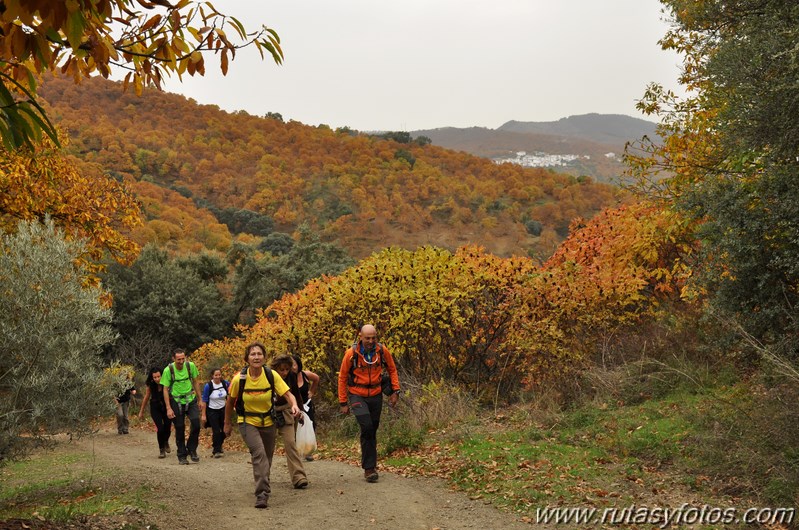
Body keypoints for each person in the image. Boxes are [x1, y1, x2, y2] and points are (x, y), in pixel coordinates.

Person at [224, 342, 301, 509]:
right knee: (259, 455)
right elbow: (230, 402)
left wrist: (294, 405)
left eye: (259, 354)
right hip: (247, 421)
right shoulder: (239, 379)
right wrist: (227, 423)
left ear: (264, 358)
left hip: (268, 421)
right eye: (253, 354)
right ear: (247, 358)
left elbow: (288, 394)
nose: (256, 357)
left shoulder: (271, 375)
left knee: (267, 457)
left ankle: (263, 482)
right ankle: (262, 494)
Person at [337, 324, 400, 483]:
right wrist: (343, 401)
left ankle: (370, 465)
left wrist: (395, 391)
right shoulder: (351, 354)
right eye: (367, 338)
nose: (371, 341)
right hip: (357, 394)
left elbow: (392, 369)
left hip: (376, 394)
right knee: (366, 426)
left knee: (372, 429)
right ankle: (369, 468)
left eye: (373, 338)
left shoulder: (382, 351)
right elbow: (342, 377)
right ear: (361, 336)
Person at [270, 354, 310, 489]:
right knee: (267, 447)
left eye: (287, 369)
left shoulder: (291, 376)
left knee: (291, 444)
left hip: (288, 411)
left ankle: (299, 476)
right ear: (276, 369)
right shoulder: (268, 377)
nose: (285, 372)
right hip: (270, 413)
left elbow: (296, 395)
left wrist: (301, 411)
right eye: (282, 370)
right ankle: (263, 475)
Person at [161, 349, 202, 465]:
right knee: (179, 428)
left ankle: (192, 449)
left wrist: (200, 399)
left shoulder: (190, 366)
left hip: (191, 399)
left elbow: (195, 382)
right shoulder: (168, 370)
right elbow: (165, 389)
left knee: (196, 424)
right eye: (178, 359)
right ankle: (182, 455)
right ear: (173, 359)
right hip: (176, 401)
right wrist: (168, 408)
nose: (181, 361)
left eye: (183, 359)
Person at [138, 367, 172, 458]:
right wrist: (141, 411)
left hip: (166, 406)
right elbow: (146, 397)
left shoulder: (167, 381)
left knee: (168, 427)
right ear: (152, 378)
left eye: (158, 376)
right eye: (155, 377)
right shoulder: (151, 384)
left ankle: (165, 441)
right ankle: (161, 449)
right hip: (155, 407)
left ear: (162, 375)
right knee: (160, 429)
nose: (157, 379)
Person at [291, 354, 320, 461]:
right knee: (294, 429)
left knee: (309, 427)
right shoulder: (287, 378)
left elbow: (316, 378)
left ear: (298, 364)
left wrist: (312, 391)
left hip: (306, 405)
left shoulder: (305, 375)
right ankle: (295, 452)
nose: (292, 367)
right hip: (293, 407)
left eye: (293, 364)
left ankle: (308, 452)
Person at [200, 368, 229, 458]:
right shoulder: (208, 386)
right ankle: (216, 450)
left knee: (225, 431)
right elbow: (204, 401)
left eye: (219, 375)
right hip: (212, 411)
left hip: (223, 410)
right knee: (216, 431)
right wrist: (203, 415)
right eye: (216, 375)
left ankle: (218, 445)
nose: (218, 377)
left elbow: (231, 394)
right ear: (212, 376)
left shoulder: (225, 384)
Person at [115, 369, 137, 434]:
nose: (123, 376)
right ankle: (120, 429)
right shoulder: (116, 383)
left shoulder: (129, 382)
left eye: (125, 375)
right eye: (122, 375)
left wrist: (133, 392)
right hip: (118, 401)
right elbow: (112, 393)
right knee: (120, 415)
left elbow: (133, 390)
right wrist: (115, 401)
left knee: (125, 416)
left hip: (126, 401)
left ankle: (125, 429)